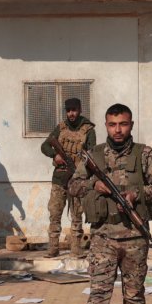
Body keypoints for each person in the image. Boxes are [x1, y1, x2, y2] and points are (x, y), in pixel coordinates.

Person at [67, 103, 152, 304]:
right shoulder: (94, 155)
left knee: (133, 293)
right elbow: (73, 185)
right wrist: (94, 183)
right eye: (112, 124)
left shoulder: (145, 154)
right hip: (103, 237)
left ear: (131, 125)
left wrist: (138, 194)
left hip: (135, 237)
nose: (118, 130)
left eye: (123, 124)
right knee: (99, 292)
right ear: (106, 126)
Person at [40, 98, 96, 257]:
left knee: (77, 215)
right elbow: (45, 146)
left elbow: (92, 154)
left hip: (78, 180)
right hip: (59, 178)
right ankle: (53, 248)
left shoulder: (88, 130)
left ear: (80, 110)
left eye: (74, 110)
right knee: (55, 214)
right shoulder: (61, 128)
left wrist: (83, 171)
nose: (71, 113)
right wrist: (55, 155)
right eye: (68, 110)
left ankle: (76, 248)